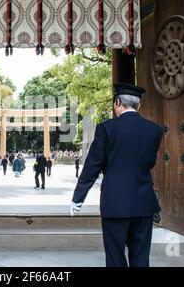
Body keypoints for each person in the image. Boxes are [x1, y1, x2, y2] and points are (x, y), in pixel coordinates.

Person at [70, 83, 163, 267]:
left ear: (117, 102)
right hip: (143, 201)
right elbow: (149, 163)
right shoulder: (154, 130)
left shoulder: (106, 128)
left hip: (115, 203)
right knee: (141, 258)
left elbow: (92, 166)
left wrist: (78, 197)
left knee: (115, 258)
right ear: (138, 105)